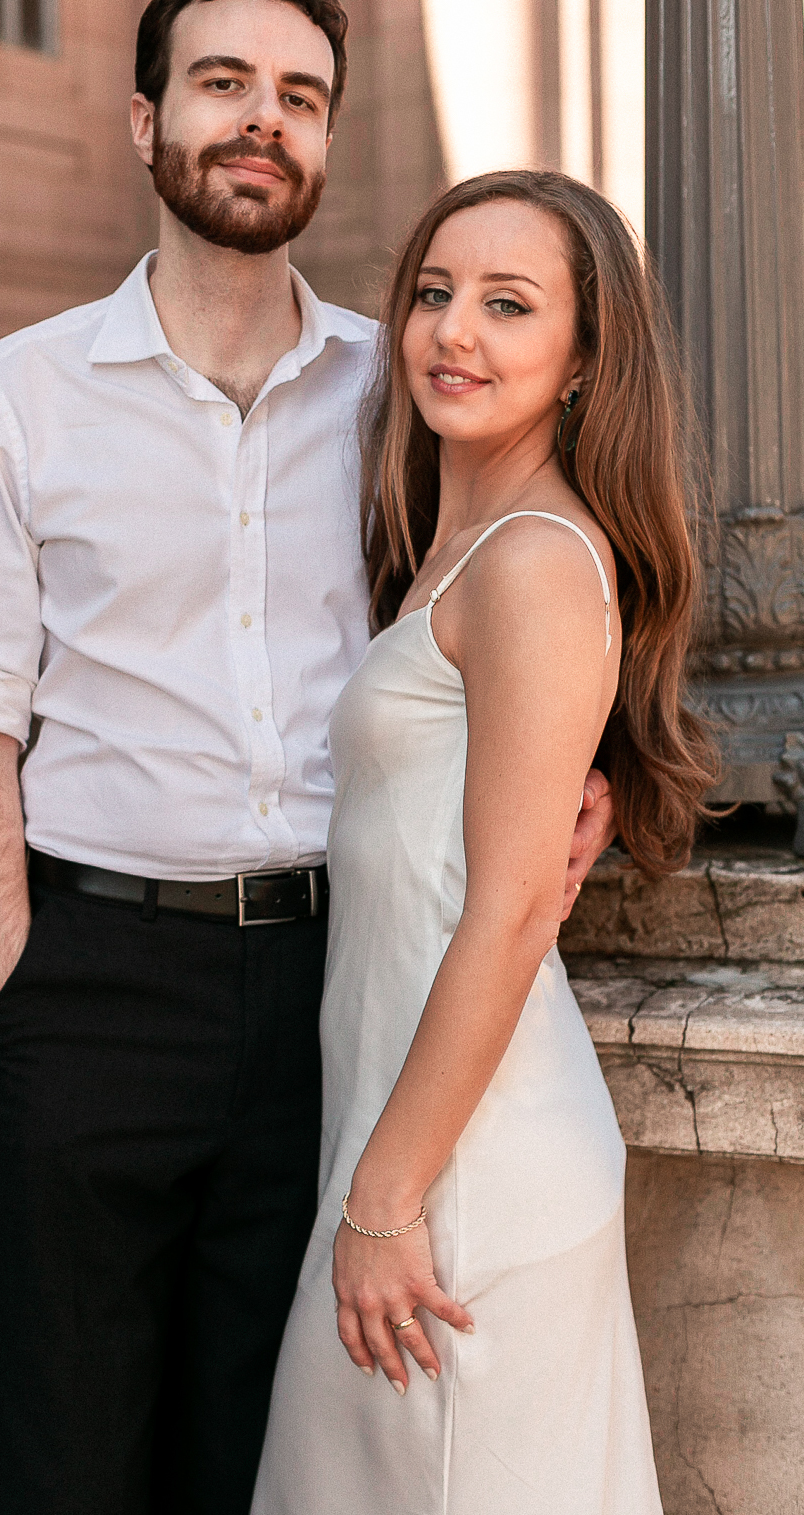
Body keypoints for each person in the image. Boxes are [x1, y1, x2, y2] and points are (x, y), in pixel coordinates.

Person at [0, 0, 616, 1515]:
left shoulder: (400, 383)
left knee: (263, 1455)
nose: (261, 121)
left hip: (324, 981)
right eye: (224, 83)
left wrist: (597, 774)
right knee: (57, 1458)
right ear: (145, 120)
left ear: (322, 142)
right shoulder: (18, 394)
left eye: (298, 97)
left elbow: (532, 580)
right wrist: (18, 981)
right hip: (91, 980)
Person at [251, 169, 719, 1515]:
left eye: (508, 305)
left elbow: (508, 913)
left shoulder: (528, 560)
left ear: (583, 362)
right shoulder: (451, 553)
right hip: (409, 1144)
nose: (453, 331)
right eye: (433, 293)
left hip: (461, 1179)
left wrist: (385, 1203)